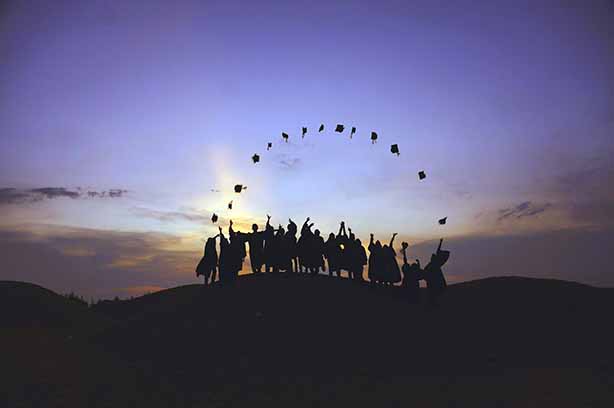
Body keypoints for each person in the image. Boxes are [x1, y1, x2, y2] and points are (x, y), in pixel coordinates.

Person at [423, 239, 449, 306]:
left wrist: (440, 243)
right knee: (433, 294)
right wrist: (440, 242)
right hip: (433, 282)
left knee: (434, 294)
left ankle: (433, 303)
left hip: (435, 282)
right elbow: (425, 272)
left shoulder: (435, 264)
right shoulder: (434, 264)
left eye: (432, 257)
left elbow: (437, 251)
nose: (432, 258)